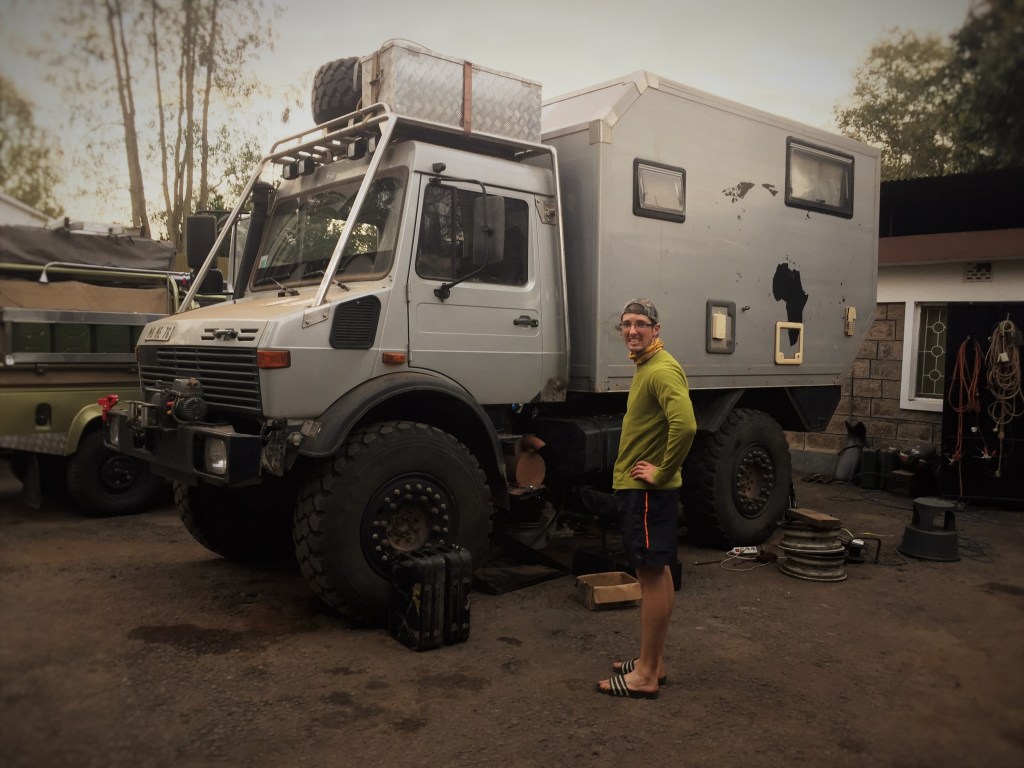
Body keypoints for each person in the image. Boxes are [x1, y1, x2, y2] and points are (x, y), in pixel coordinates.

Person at [596, 298, 696, 700]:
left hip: (647, 492)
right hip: (648, 492)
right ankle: (652, 663)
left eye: (640, 323)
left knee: (650, 577)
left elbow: (685, 426)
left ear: (656, 329)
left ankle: (646, 676)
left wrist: (663, 471)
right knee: (660, 572)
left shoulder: (661, 369)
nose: (632, 330)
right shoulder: (648, 366)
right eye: (626, 323)